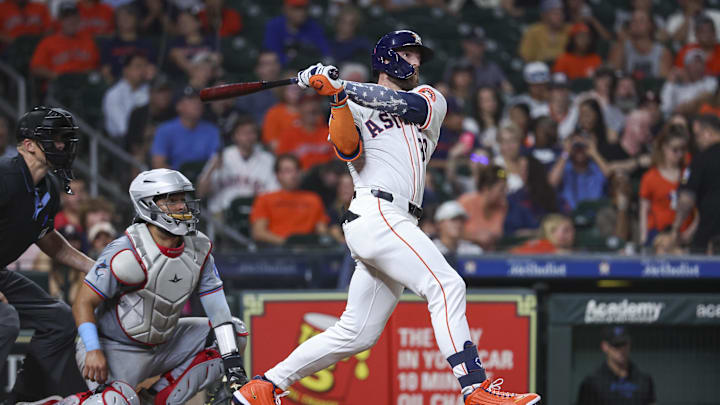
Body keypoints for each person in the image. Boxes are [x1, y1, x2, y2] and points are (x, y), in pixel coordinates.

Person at [233, 30, 540, 405]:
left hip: (398, 219)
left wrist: (338, 82)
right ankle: (474, 388)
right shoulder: (353, 105)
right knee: (447, 286)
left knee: (356, 332)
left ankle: (264, 385)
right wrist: (336, 97)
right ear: (386, 57)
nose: (415, 62)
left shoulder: (430, 98)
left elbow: (404, 106)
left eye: (417, 57)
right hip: (375, 210)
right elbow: (348, 150)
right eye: (408, 54)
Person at [70, 169, 250, 404]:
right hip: (112, 347)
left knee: (234, 333)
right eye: (171, 200)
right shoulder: (125, 250)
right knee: (116, 401)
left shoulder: (199, 247)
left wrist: (232, 363)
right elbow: (83, 302)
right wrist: (93, 349)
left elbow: (218, 310)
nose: (181, 206)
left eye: (182, 199)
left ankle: (159, 398)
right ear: (147, 205)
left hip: (163, 342)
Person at [0, 107, 93, 403]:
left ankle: (23, 398)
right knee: (5, 321)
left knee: (59, 319)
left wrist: (97, 267)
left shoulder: (49, 188)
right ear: (28, 145)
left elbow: (47, 239)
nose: (61, 145)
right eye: (52, 138)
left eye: (64, 139)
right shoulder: (5, 176)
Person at [196, 115, 278, 216]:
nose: (248, 137)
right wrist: (212, 169)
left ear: (257, 136)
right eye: (243, 133)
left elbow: (274, 195)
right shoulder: (222, 156)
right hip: (222, 215)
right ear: (235, 136)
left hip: (255, 215)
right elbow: (200, 193)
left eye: (251, 132)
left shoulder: (268, 159)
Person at [249, 154, 329, 246]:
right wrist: (287, 244)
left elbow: (322, 231)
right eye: (287, 171)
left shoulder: (314, 199)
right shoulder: (264, 199)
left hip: (308, 251)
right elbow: (258, 233)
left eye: (296, 170)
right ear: (278, 175)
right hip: (276, 251)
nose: (293, 175)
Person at [639, 124, 696, 246]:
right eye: (675, 150)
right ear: (664, 147)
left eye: (683, 149)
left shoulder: (688, 174)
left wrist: (689, 234)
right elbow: (644, 210)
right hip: (658, 235)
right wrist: (644, 238)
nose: (679, 154)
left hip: (684, 236)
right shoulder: (650, 177)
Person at [672, 114, 720, 251]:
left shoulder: (699, 161)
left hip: (710, 237)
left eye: (697, 136)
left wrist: (675, 229)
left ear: (708, 133)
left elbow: (686, 199)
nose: (696, 141)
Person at [577, 326, 656, 405]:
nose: (621, 350)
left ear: (629, 344)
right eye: (616, 345)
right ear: (604, 346)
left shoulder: (643, 380)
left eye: (623, 344)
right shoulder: (592, 383)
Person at [151, 86, 221, 170]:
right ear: (178, 106)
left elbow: (217, 163)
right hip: (175, 179)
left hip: (205, 179)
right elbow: (158, 164)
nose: (197, 103)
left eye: (198, 99)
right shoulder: (165, 130)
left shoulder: (212, 130)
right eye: (191, 100)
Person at [30, 2, 100, 81]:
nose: (71, 20)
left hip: (83, 82)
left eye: (74, 16)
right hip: (60, 85)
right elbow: (36, 68)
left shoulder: (88, 40)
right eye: (66, 17)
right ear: (59, 21)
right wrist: (54, 75)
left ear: (79, 18)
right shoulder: (47, 42)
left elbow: (97, 66)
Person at [548, 133, 610, 210]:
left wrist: (594, 153)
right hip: (569, 215)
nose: (580, 150)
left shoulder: (596, 168)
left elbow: (610, 176)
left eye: (583, 147)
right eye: (576, 147)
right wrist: (566, 152)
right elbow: (552, 182)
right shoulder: (564, 167)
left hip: (595, 214)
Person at [274, 92, 334, 170]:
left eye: (315, 103)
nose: (311, 107)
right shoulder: (288, 134)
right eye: (307, 103)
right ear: (299, 109)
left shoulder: (330, 133)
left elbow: (336, 162)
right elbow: (282, 164)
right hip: (298, 178)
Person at [99, 4, 157, 83]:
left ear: (136, 19)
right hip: (117, 85)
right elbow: (105, 71)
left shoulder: (147, 44)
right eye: (121, 17)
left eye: (129, 16)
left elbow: (151, 68)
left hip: (142, 85)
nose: (125, 20)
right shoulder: (109, 44)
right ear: (116, 21)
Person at [262, 0, 330, 66]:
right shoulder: (275, 26)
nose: (301, 12)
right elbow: (272, 55)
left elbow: (325, 53)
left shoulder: (314, 27)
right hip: (282, 71)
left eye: (304, 8)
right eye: (296, 8)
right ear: (285, 9)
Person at [608, 10, 672, 79]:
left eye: (641, 20)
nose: (636, 23)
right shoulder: (621, 46)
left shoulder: (662, 52)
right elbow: (613, 74)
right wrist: (622, 42)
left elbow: (663, 81)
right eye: (633, 21)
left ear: (650, 25)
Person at [458, 165, 508, 251]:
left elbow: (499, 234)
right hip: (463, 254)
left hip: (490, 256)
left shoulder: (502, 206)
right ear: (486, 188)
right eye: (501, 190)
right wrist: (475, 237)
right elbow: (451, 232)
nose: (504, 193)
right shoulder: (465, 202)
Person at [445, 27, 511, 92]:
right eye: (474, 44)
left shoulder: (492, 67)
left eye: (480, 44)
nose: (477, 48)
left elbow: (507, 87)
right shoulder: (455, 65)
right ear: (465, 44)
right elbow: (446, 87)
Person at [102, 52, 150, 139]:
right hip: (119, 143)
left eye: (145, 66)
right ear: (126, 70)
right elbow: (123, 128)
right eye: (138, 66)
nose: (143, 70)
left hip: (147, 139)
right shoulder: (114, 94)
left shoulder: (149, 90)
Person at [661, 48, 718, 116]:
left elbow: (708, 97)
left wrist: (688, 105)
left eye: (701, 62)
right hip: (680, 119)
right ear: (686, 66)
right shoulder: (676, 86)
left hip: (704, 117)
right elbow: (665, 107)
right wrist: (671, 81)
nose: (698, 66)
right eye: (694, 62)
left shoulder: (710, 81)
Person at [235, 50, 282, 125]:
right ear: (257, 69)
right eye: (267, 64)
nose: (272, 68)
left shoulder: (288, 91)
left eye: (275, 62)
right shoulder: (248, 94)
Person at [511, 213, 575, 254]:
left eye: (567, 230)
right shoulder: (537, 246)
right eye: (553, 230)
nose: (561, 234)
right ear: (545, 233)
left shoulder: (580, 252)